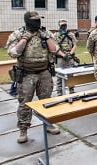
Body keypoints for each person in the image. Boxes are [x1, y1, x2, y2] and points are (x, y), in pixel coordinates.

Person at [6, 11, 63, 143]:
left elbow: (54, 50)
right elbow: (14, 53)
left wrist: (46, 37)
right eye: (34, 20)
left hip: (44, 72)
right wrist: (25, 39)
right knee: (25, 103)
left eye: (38, 20)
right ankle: (23, 129)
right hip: (26, 74)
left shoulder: (45, 33)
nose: (37, 22)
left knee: (46, 101)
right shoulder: (18, 34)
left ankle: (48, 123)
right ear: (27, 21)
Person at [53, 19, 78, 94]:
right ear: (59, 25)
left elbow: (75, 45)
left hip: (69, 57)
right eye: (62, 25)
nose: (64, 26)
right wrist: (63, 55)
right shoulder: (55, 35)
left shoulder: (71, 34)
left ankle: (72, 91)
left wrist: (70, 54)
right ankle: (59, 93)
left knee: (71, 75)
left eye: (65, 25)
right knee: (59, 76)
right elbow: (55, 47)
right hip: (60, 58)